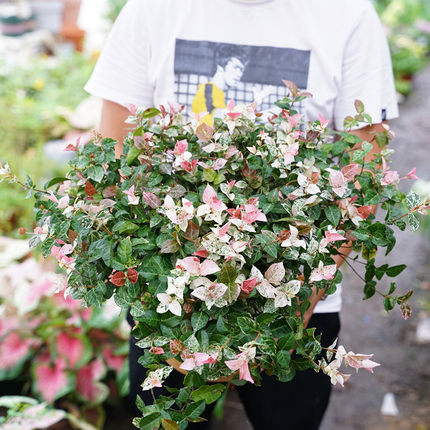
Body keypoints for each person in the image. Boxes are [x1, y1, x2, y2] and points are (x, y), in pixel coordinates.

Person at [84, 0, 398, 428]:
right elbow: (114, 153)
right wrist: (157, 294)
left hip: (300, 303)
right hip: (168, 294)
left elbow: (365, 171)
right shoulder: (150, 9)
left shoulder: (347, 14)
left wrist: (301, 299)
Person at [191, 43, 248, 125]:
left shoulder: (216, 93)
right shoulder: (207, 92)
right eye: (235, 68)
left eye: (241, 70)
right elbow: (206, 132)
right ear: (220, 66)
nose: (240, 74)